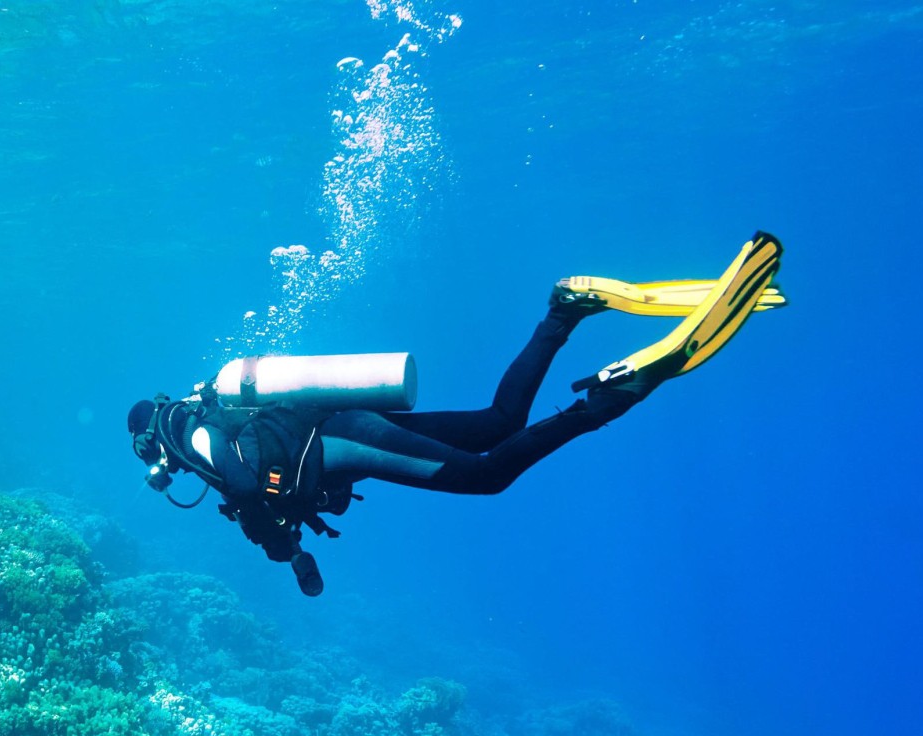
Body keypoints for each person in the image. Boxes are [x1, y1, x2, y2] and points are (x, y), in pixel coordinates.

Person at [128, 232, 784, 596]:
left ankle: (609, 399)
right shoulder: (208, 408)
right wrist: (293, 551)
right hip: (340, 427)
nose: (160, 472)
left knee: (487, 474)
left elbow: (245, 487)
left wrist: (271, 540)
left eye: (148, 461)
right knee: (498, 422)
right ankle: (563, 311)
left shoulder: (188, 433)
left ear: (149, 440)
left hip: (341, 441)